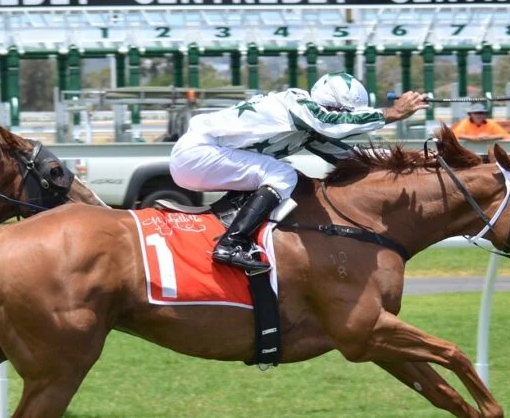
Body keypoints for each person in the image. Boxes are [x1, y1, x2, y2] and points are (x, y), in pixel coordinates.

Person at [170, 71, 428, 272]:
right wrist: (393, 113)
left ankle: (245, 236)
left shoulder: (308, 127)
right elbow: (330, 123)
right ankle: (231, 244)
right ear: (328, 104)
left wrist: (416, 161)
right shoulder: (297, 103)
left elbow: (350, 156)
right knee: (283, 175)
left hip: (204, 159)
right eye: (342, 112)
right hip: (198, 153)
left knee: (285, 176)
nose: (345, 120)